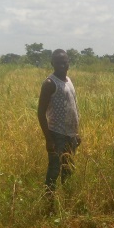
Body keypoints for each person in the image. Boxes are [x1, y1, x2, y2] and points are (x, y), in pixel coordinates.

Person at [37, 49, 81, 193]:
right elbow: (41, 113)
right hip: (57, 134)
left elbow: (73, 105)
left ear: (69, 63)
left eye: (65, 62)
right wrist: (48, 140)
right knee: (54, 170)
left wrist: (76, 133)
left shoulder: (69, 80)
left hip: (70, 134)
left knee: (68, 169)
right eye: (59, 62)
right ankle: (49, 203)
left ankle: (67, 203)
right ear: (52, 63)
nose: (62, 65)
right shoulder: (50, 83)